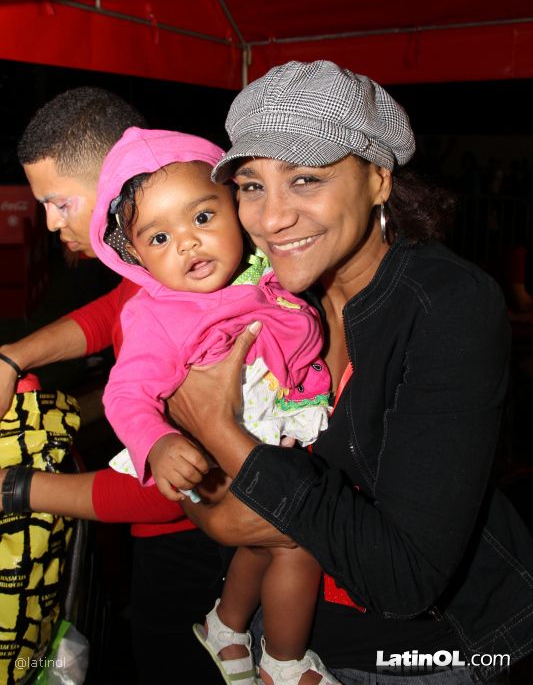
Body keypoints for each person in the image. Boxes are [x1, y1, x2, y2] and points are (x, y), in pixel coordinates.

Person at [165, 60, 533, 685]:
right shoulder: (266, 296)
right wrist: (218, 508)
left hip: (420, 655)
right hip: (280, 639)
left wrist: (218, 429)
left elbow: (402, 578)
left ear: (379, 180)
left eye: (305, 179)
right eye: (251, 186)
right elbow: (217, 507)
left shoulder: (448, 304)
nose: (270, 219)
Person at [89, 126, 336, 685]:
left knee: (263, 544)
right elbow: (125, 393)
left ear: (235, 209)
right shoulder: (157, 315)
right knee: (300, 543)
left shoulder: (271, 270)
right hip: (219, 452)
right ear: (134, 256)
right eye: (159, 238)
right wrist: (158, 441)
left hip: (276, 435)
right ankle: (285, 663)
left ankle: (225, 624)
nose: (188, 243)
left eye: (202, 217)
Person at [0, 87, 226, 683]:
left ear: (115, 182)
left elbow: (172, 486)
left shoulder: (204, 303)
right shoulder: (163, 270)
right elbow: (113, 312)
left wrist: (17, 490)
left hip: (202, 550)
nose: (51, 222)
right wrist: (13, 357)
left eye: (59, 203)